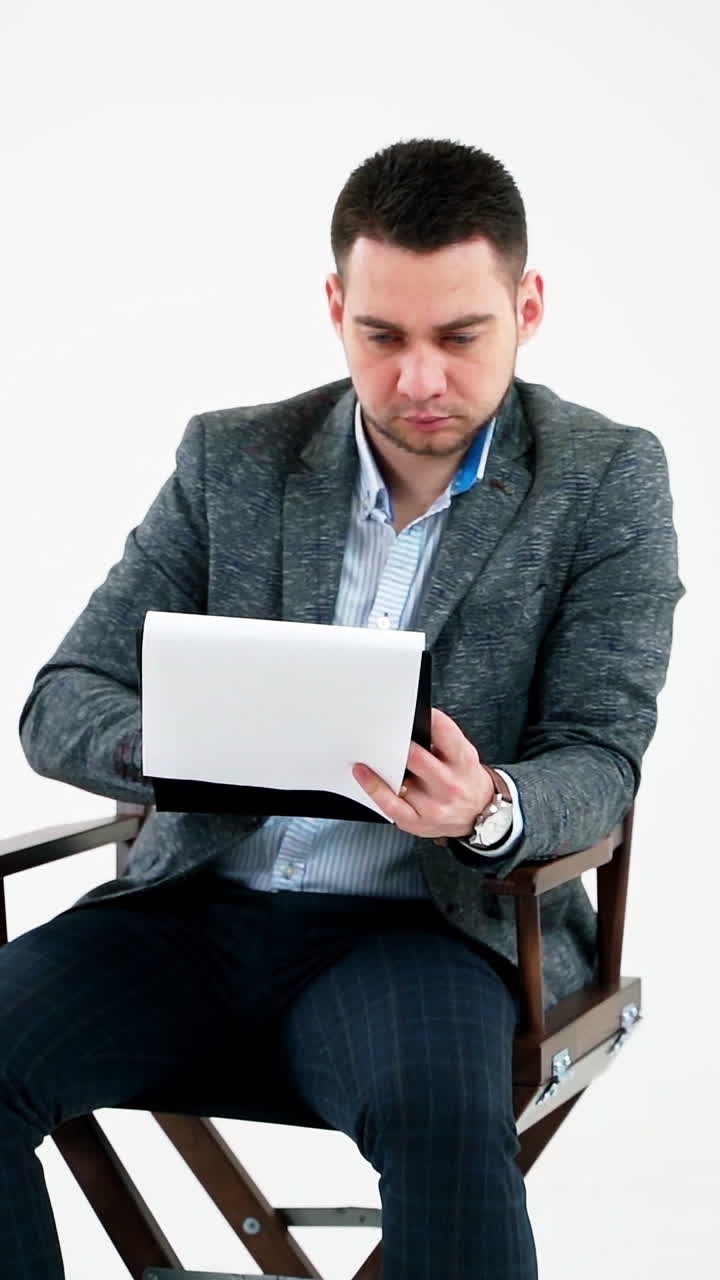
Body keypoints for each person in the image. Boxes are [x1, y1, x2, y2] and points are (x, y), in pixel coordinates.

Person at [7, 137, 684, 1279]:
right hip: (188, 914)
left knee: (445, 1123)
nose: (420, 377)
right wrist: (181, 742)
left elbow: (601, 751)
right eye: (384, 336)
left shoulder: (603, 477)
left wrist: (490, 806)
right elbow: (58, 701)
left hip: (421, 932)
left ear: (528, 305)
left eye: (460, 336)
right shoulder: (234, 458)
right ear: (336, 308)